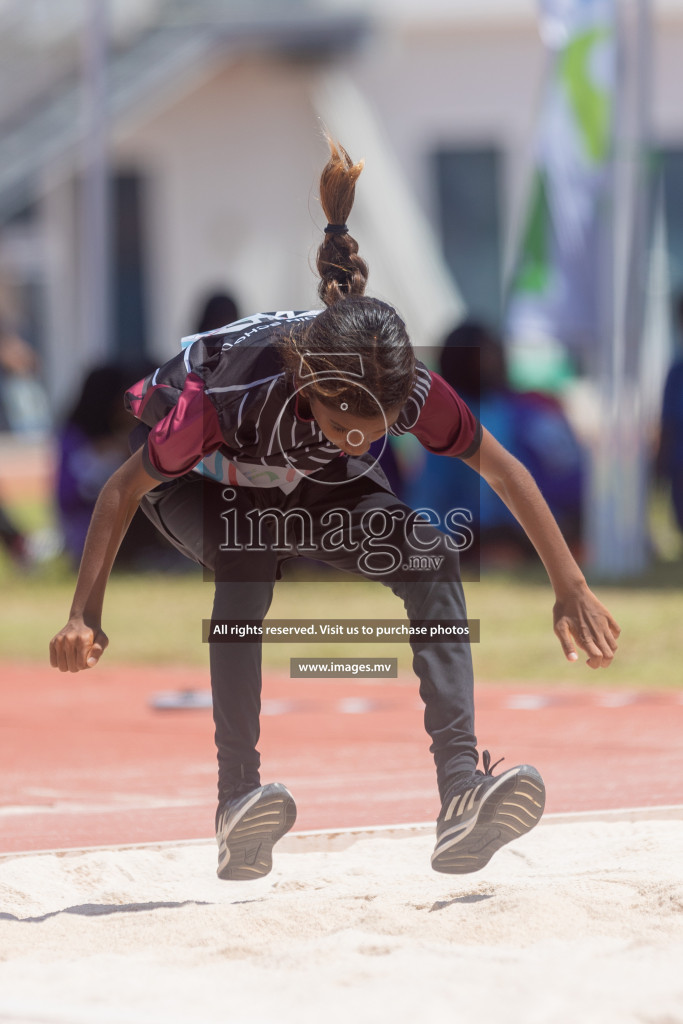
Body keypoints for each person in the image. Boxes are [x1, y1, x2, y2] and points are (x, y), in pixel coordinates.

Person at [49, 139, 620, 881]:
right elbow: (122, 489)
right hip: (192, 482)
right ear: (307, 384)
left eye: (374, 432)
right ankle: (235, 800)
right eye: (344, 425)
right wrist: (83, 613)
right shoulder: (227, 397)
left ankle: (460, 796)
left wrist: (568, 583)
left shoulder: (401, 383)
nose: (362, 439)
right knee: (249, 549)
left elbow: (502, 471)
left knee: (427, 551)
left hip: (297, 474)